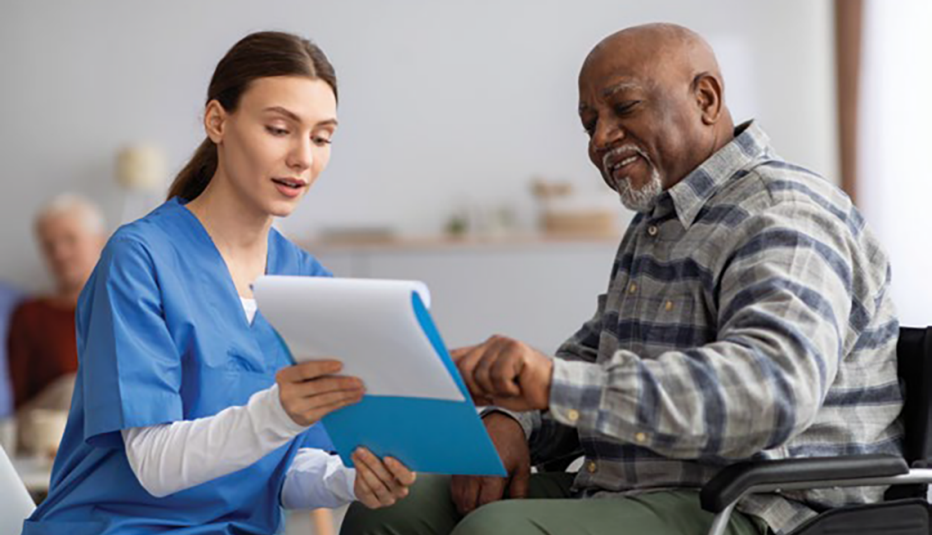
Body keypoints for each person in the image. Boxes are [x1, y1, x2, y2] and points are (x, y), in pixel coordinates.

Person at [341, 23, 902, 535]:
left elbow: (771, 392)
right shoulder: (658, 222)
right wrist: (512, 419)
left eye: (624, 108)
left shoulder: (785, 213)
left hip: (757, 506)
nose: (600, 140)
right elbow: (592, 358)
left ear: (705, 98)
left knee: (496, 533)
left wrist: (553, 384)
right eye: (590, 123)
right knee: (393, 507)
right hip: (634, 488)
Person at [24, 31, 415, 535]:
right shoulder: (139, 259)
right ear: (217, 121)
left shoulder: (310, 282)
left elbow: (286, 469)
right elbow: (154, 464)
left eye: (322, 138)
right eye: (279, 129)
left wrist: (349, 480)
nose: (304, 157)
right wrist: (279, 411)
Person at [6, 195, 106, 456]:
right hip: (45, 430)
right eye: (49, 246)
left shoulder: (126, 306)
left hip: (110, 427)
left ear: (100, 240)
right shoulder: (30, 314)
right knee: (74, 387)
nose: (59, 253)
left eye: (70, 240)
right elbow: (20, 401)